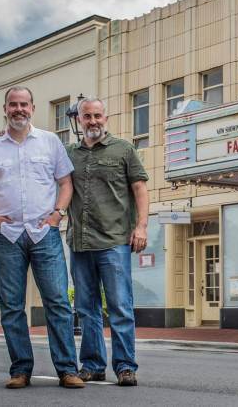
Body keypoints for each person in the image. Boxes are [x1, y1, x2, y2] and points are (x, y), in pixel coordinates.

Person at [0, 86, 84, 389]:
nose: (19, 109)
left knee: (57, 301)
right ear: (5, 109)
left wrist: (57, 214)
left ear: (32, 107)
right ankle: (20, 369)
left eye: (24, 104)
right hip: (7, 235)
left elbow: (66, 183)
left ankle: (67, 369)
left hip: (44, 233)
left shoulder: (50, 142)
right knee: (12, 306)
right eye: (13, 105)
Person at [67, 96, 149, 387]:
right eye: (87, 116)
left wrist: (141, 226)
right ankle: (92, 365)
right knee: (86, 308)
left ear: (106, 117)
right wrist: (4, 136)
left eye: (97, 116)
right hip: (80, 242)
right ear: (79, 119)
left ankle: (126, 366)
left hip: (114, 240)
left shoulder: (124, 149)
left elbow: (139, 187)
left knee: (120, 306)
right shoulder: (69, 154)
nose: (93, 121)